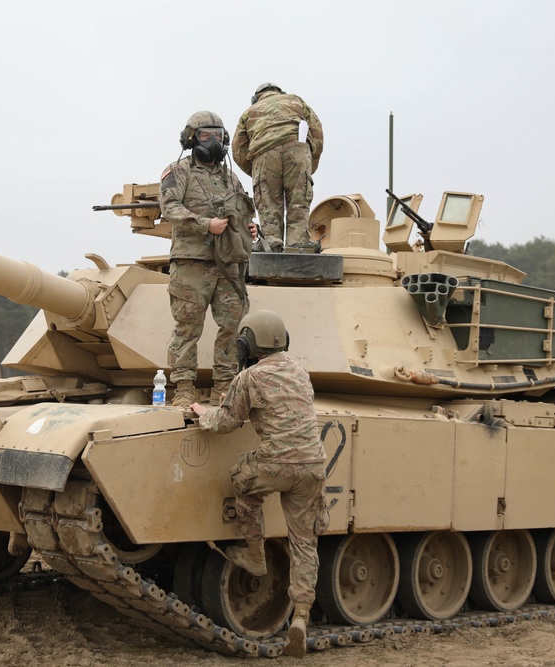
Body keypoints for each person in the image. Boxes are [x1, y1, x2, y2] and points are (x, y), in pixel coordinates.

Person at [189, 309, 327, 658]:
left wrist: (201, 412)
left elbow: (225, 422)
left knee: (243, 478)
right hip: (312, 466)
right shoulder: (300, 371)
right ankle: (300, 616)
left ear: (247, 342)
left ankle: (255, 555)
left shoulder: (250, 377)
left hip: (277, 464)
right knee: (304, 542)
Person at [160, 110, 258, 408]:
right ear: (192, 139)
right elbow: (170, 207)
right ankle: (184, 388)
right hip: (192, 263)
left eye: (218, 135)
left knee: (233, 325)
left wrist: (251, 227)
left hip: (228, 264)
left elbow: (242, 212)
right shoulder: (178, 172)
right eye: (205, 136)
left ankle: (225, 385)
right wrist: (206, 224)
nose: (213, 141)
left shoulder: (231, 177)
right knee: (187, 328)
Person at [232, 83, 324, 252]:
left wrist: (255, 171)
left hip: (264, 156)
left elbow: (238, 151)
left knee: (268, 207)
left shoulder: (249, 112)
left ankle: (271, 249)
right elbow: (317, 135)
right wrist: (308, 168)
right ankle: (298, 248)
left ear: (257, 98)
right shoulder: (297, 101)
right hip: (298, 151)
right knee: (298, 204)